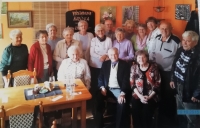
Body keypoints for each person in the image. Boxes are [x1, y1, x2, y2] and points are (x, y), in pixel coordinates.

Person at [149, 21, 181, 127]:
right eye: (162, 28)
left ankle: (169, 119)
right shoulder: (157, 38)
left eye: (166, 28)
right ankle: (159, 116)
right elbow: (152, 52)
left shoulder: (176, 41)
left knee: (168, 95)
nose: (164, 31)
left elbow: (178, 59)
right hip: (156, 71)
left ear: (171, 28)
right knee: (157, 93)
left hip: (169, 73)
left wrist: (173, 76)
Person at [170, 31, 200, 128]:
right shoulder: (180, 50)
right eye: (183, 40)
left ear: (195, 43)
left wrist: (197, 94)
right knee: (181, 113)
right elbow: (174, 65)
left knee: (192, 117)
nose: (184, 43)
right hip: (178, 87)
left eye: (188, 41)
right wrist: (172, 79)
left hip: (190, 91)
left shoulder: (197, 56)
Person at [95, 48, 131, 128]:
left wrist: (122, 93)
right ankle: (99, 125)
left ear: (118, 54)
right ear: (109, 55)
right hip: (107, 89)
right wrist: (102, 87)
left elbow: (126, 80)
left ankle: (119, 126)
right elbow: (100, 77)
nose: (113, 56)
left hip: (119, 90)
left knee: (122, 104)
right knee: (98, 99)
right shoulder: (105, 64)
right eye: (111, 54)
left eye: (115, 54)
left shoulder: (125, 65)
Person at [130, 50, 161, 128]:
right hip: (137, 95)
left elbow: (158, 84)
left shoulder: (154, 67)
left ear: (147, 58)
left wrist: (149, 97)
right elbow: (132, 84)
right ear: (136, 58)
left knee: (146, 112)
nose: (141, 59)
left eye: (143, 57)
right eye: (139, 57)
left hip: (151, 96)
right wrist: (140, 96)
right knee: (136, 111)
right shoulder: (134, 67)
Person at [89, 24, 112, 116]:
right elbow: (92, 52)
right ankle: (95, 109)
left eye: (102, 30)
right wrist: (100, 57)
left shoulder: (109, 39)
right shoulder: (93, 40)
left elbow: (110, 50)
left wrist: (105, 55)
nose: (100, 32)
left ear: (104, 31)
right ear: (95, 32)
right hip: (94, 65)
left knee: (104, 86)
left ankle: (104, 108)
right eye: (98, 31)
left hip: (105, 65)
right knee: (95, 86)